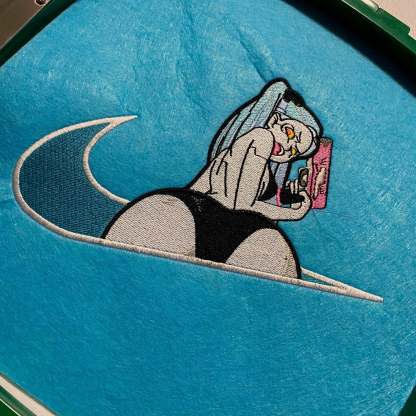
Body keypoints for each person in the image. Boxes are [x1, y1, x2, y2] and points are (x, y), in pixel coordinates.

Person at [103, 79, 322, 278]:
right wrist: (293, 214)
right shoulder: (261, 137)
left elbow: (254, 195)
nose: (287, 147)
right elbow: (243, 204)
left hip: (232, 227)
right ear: (274, 118)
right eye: (291, 133)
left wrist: (290, 195)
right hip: (200, 211)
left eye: (294, 151)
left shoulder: (265, 166)